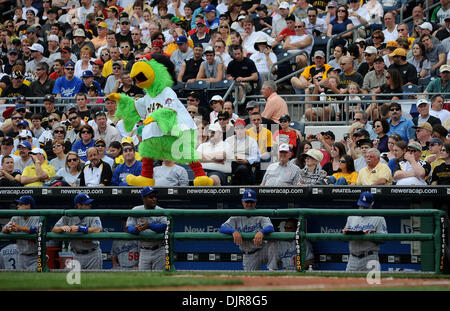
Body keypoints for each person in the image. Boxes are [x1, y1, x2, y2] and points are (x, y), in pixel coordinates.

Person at [219, 189, 278, 271]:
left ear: (255, 202)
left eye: (252, 202)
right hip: (249, 254)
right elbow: (222, 228)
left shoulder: (261, 214)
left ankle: (272, 270)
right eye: (247, 202)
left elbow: (270, 228)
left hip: (262, 250)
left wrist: (262, 232)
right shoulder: (236, 216)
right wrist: (233, 231)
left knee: (273, 242)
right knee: (251, 279)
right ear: (242, 202)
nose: (249, 204)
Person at [52, 193, 103, 270]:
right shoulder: (68, 215)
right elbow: (54, 229)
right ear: (79, 205)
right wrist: (62, 228)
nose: (90, 205)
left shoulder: (93, 214)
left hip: (93, 254)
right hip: (76, 254)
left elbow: (98, 229)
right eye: (87, 203)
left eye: (89, 203)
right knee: (76, 281)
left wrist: (80, 228)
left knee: (94, 280)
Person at [343, 192, 387, 272]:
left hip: (370, 257)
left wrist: (369, 235)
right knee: (349, 283)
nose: (362, 208)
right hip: (353, 258)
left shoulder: (379, 218)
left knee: (371, 283)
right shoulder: (351, 217)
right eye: (360, 206)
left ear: (372, 204)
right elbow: (344, 239)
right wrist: (345, 233)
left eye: (365, 207)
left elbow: (383, 239)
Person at [127, 187, 168, 271]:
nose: (154, 199)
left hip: (159, 249)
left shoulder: (161, 211)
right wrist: (136, 229)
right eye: (151, 197)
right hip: (144, 250)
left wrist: (149, 225)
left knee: (159, 279)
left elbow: (165, 227)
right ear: (143, 198)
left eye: (155, 197)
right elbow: (129, 228)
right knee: (143, 278)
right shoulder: (136, 210)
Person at [1, 196, 40, 270]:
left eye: (21, 204)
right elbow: (3, 230)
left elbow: (38, 229)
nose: (17, 206)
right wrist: (8, 228)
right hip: (21, 256)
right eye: (18, 204)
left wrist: (19, 228)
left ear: (28, 206)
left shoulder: (37, 217)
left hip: (35, 256)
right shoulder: (16, 217)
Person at [225, 118, 259, 185]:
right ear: (234, 130)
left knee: (242, 168)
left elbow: (257, 157)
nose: (239, 130)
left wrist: (247, 160)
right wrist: (233, 158)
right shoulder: (228, 140)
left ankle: (235, 184)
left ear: (245, 129)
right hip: (232, 164)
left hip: (246, 164)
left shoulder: (252, 141)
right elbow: (224, 154)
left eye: (241, 128)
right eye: (237, 128)